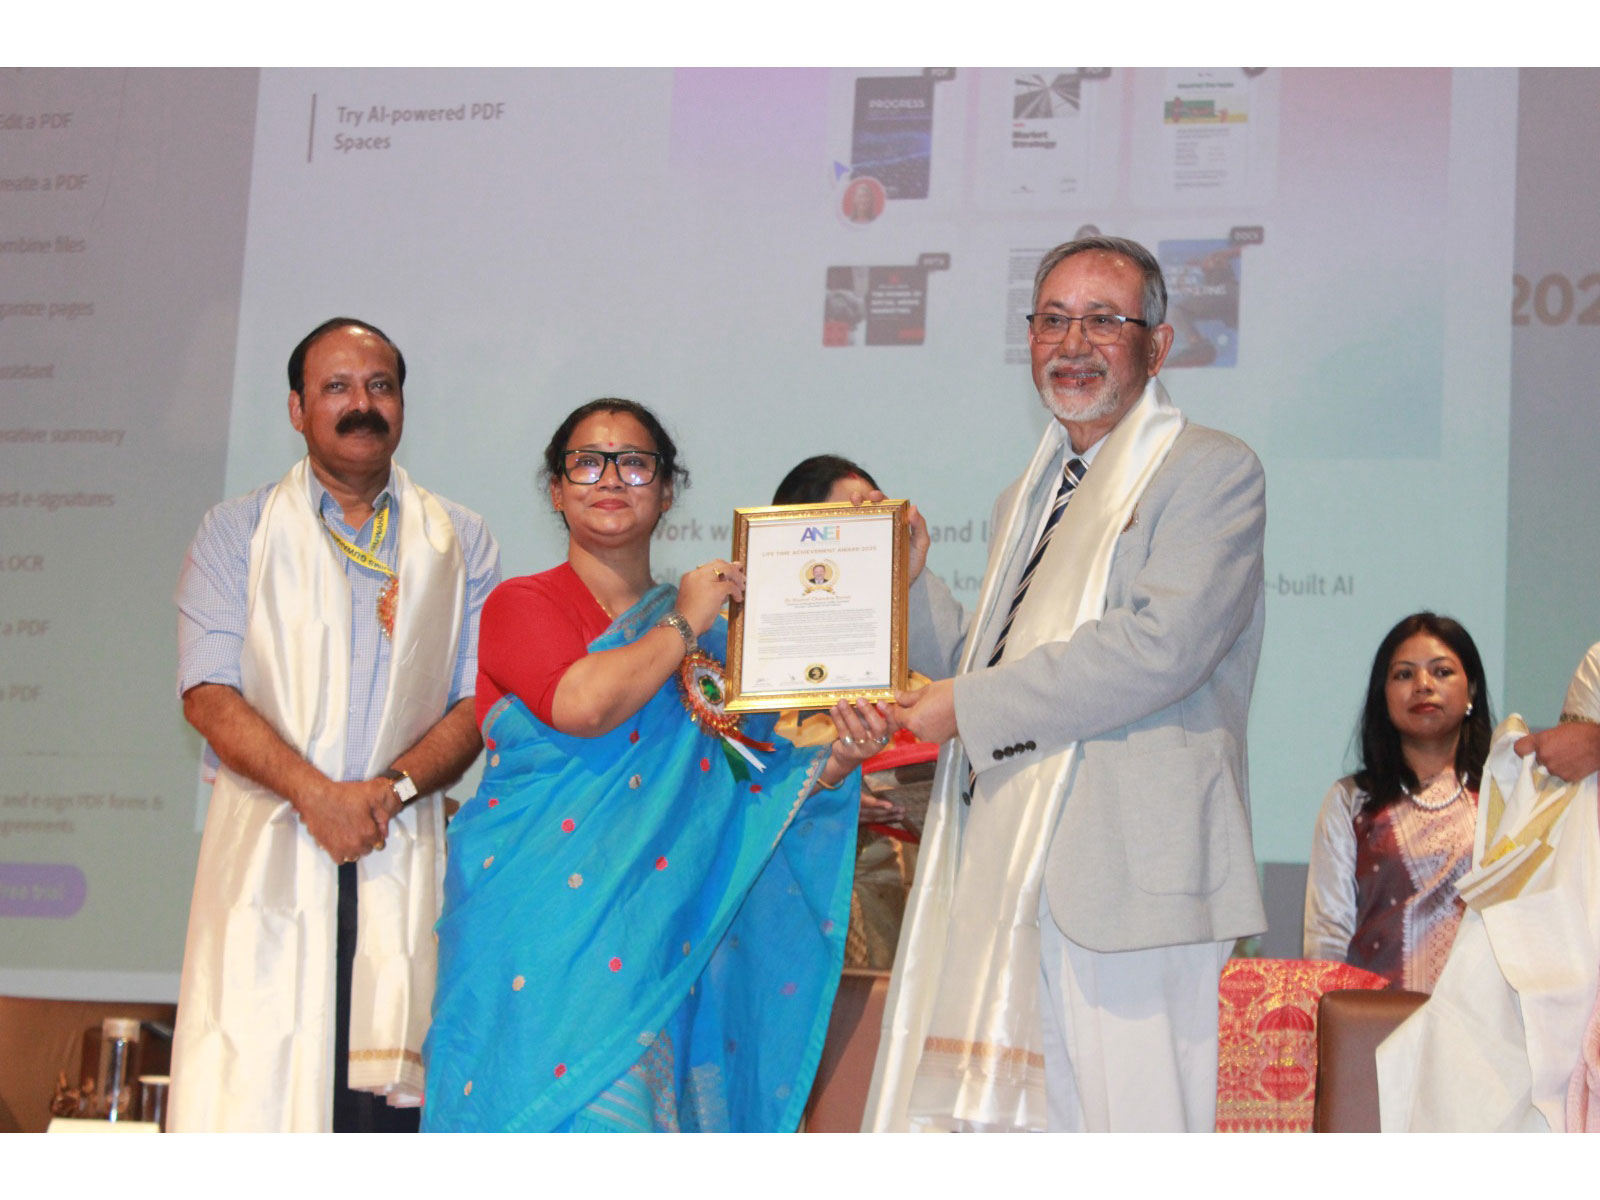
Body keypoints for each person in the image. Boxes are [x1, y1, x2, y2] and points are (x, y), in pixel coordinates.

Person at [864, 235, 1267, 1132]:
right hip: (1013, 875)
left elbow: (1159, 647)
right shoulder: (1028, 495)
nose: (1071, 342)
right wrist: (911, 588)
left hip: (1131, 881)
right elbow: (994, 660)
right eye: (1052, 320)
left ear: (1156, 347)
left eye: (1102, 320)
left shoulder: (1211, 469)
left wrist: (962, 707)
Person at [421, 400, 885, 1132]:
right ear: (556, 487)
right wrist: (685, 623)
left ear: (666, 490)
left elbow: (748, 787)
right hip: (534, 941)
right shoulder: (521, 604)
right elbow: (583, 704)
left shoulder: (715, 649)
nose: (611, 478)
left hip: (648, 952)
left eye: (635, 463)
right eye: (588, 462)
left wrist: (835, 762)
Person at [168, 318, 501, 1132]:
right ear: (297, 408)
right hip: (272, 853)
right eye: (337, 388)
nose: (362, 405)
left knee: (378, 1123)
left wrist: (386, 790)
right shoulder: (234, 532)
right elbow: (208, 692)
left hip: (405, 850)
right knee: (260, 1099)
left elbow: (478, 701)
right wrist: (319, 795)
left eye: (380, 387)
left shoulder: (459, 539)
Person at [1302, 612, 1493, 992]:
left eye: (1442, 672)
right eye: (1404, 674)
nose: (1423, 686)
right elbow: (1327, 936)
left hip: (1484, 1034)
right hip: (1375, 1032)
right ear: (1383, 696)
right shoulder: (1353, 802)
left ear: (1471, 690)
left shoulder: (1504, 795)